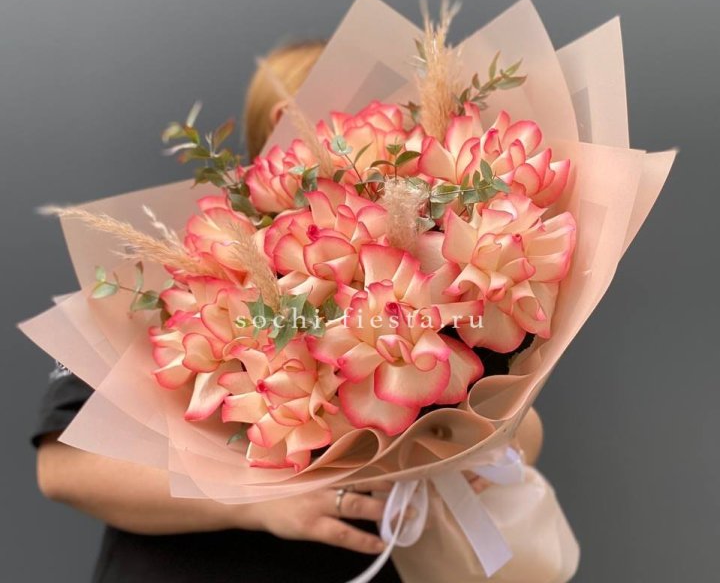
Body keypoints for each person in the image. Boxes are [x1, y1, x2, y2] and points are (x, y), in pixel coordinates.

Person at [34, 41, 544, 583]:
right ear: (284, 119)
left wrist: (478, 452)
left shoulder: (436, 247)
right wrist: (254, 503)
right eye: (347, 114)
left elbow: (517, 422)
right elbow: (63, 466)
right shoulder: (179, 266)